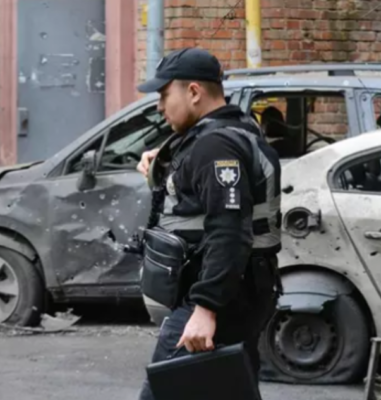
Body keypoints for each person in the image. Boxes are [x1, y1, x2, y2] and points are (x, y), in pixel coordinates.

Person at [135, 48, 283, 400]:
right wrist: (163, 162)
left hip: (221, 295)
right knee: (229, 390)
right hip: (244, 289)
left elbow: (229, 230)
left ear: (194, 92)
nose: (159, 106)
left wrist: (205, 309)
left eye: (163, 94)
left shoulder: (215, 146)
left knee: (162, 393)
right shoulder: (236, 130)